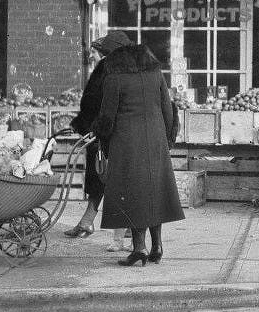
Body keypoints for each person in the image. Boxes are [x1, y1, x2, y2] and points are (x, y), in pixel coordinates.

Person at [94, 42, 184, 267]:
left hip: (126, 142)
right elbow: (168, 108)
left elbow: (107, 116)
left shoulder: (115, 78)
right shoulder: (155, 74)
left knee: (132, 194)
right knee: (155, 193)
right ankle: (157, 247)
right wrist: (167, 140)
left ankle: (139, 249)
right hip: (155, 139)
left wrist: (102, 140)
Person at [63, 30, 131, 239]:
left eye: (96, 51)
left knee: (101, 178)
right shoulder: (127, 69)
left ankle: (95, 224)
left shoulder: (105, 68)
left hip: (102, 133)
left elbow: (94, 102)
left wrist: (81, 125)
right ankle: (94, 223)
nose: (92, 55)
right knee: (113, 179)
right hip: (118, 132)